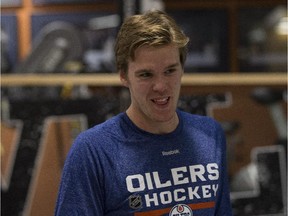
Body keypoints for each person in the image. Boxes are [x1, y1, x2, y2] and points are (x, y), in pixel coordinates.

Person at [55, 10, 232, 216]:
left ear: (182, 68)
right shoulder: (93, 152)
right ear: (123, 76)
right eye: (146, 75)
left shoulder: (210, 135)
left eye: (170, 71)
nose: (160, 86)